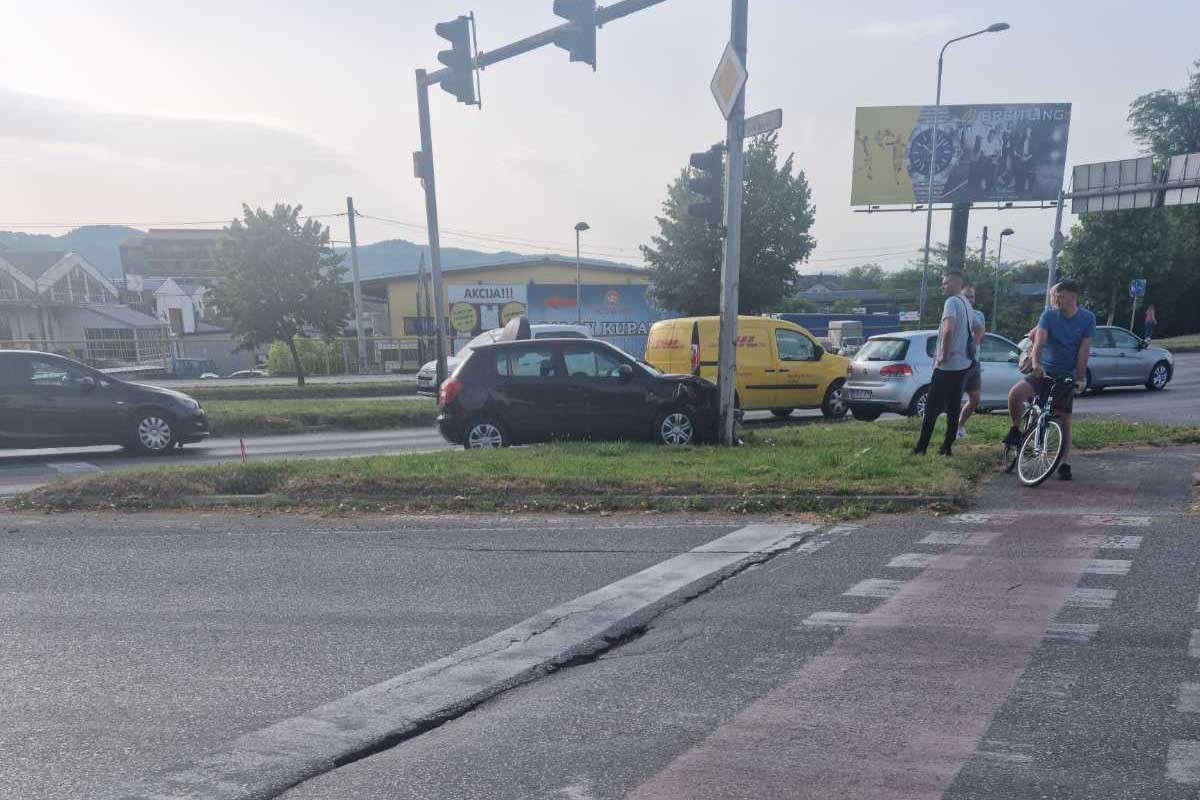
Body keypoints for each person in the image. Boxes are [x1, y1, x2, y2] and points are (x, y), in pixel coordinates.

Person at [1004, 281, 1095, 481]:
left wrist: (1079, 377)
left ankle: (1064, 463)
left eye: (1059, 296)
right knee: (1016, 394)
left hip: (1066, 374)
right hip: (1043, 371)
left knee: (1064, 419)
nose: (1055, 300)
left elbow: (1084, 350)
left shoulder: (1087, 319)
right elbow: (1039, 342)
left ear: (1072, 296)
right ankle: (1016, 429)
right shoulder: (1049, 316)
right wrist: (1036, 364)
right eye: (1054, 296)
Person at [914, 271, 972, 456]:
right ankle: (946, 446)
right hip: (962, 364)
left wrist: (943, 356)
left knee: (932, 407)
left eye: (946, 283)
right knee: (954, 406)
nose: (943, 286)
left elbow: (948, 330)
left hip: (947, 366)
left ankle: (921, 448)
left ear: (956, 284)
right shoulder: (966, 303)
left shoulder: (952, 302)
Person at [956, 284, 987, 439]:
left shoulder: (979, 315)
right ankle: (952, 429)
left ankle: (960, 425)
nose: (969, 299)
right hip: (959, 363)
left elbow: (981, 335)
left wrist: (974, 344)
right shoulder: (956, 313)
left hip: (974, 362)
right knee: (955, 398)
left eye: (972, 297)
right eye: (966, 296)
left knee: (975, 399)